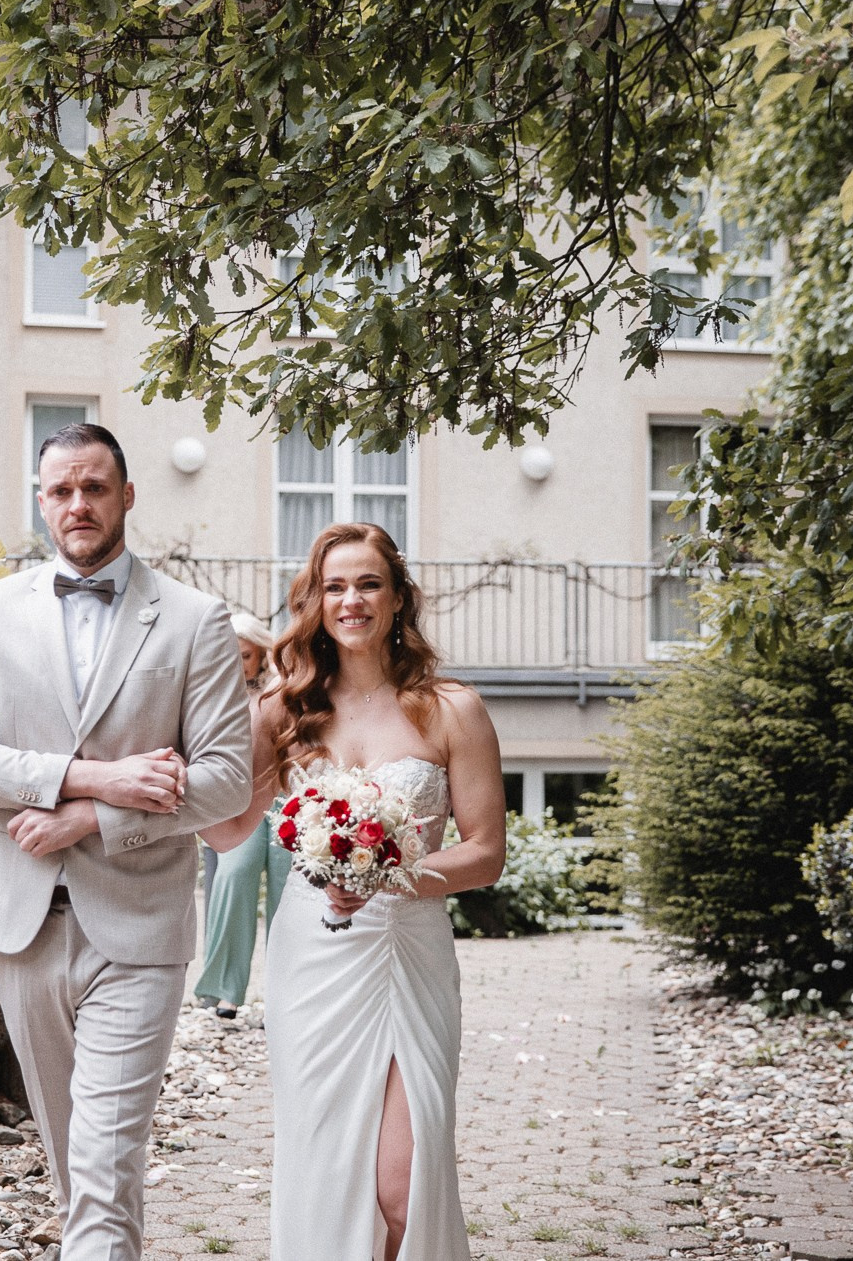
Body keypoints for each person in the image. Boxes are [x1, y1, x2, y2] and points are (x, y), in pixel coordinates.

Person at [0, 422, 253, 1260]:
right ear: (41, 503)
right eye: (61, 490)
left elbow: (224, 780)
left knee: (104, 1165)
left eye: (95, 488)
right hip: (21, 922)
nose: (79, 504)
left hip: (139, 923)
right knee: (79, 1171)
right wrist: (96, 779)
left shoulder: (193, 619)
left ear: (127, 496)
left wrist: (92, 820)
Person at [204, 522, 507, 1261]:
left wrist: (390, 874)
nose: (352, 600)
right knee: (329, 1171)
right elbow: (225, 829)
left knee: (402, 1187)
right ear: (315, 600)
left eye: (369, 582)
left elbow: (487, 853)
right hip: (314, 964)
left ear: (398, 596)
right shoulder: (284, 710)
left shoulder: (451, 709)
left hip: (410, 956)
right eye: (334, 586)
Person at [194, 609, 288, 1017]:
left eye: (246, 655)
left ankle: (286, 996)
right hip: (237, 806)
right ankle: (225, 989)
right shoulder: (209, 697)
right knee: (234, 877)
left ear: (261, 657)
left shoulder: (281, 694)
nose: (237, 662)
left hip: (285, 803)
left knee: (291, 893)